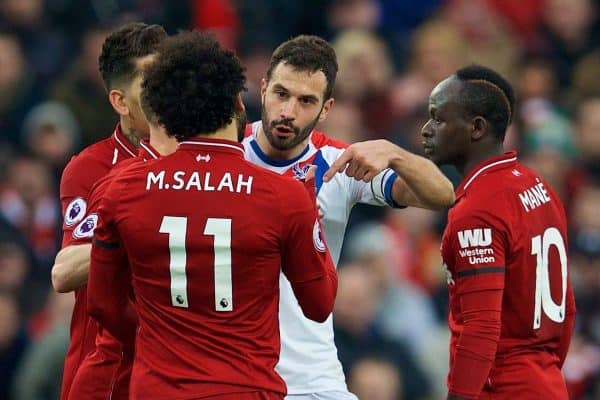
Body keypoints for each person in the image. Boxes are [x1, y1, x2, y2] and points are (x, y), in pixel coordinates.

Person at [87, 31, 338, 400]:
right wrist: (310, 215)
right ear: (240, 102)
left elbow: (101, 304)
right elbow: (319, 305)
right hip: (245, 389)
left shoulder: (122, 190)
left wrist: (161, 339)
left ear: (166, 109)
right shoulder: (283, 195)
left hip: (157, 388)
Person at [242, 35, 454, 399]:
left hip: (312, 378)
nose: (288, 111)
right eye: (281, 93)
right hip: (237, 373)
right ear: (263, 89)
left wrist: (394, 153)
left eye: (306, 101)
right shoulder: (225, 155)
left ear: (326, 109)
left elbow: (442, 194)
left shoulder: (338, 164)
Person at [421, 64, 576, 399]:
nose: (426, 129)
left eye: (438, 118)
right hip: (547, 383)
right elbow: (568, 309)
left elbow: (481, 327)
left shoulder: (478, 209)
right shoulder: (540, 187)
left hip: (502, 388)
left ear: (476, 128)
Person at [50, 22, 168, 400]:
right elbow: (65, 271)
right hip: (107, 371)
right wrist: (146, 231)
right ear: (119, 101)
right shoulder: (91, 168)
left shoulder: (200, 160)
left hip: (175, 369)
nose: (166, 95)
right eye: (151, 85)